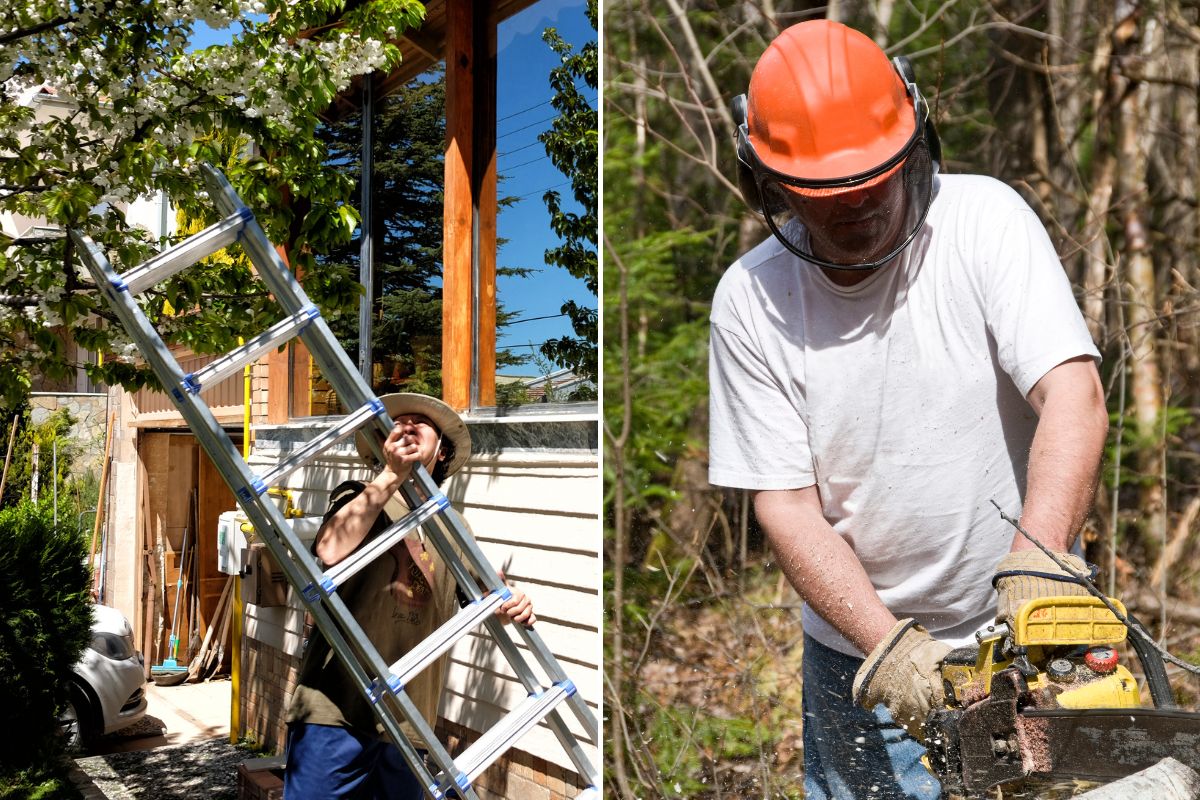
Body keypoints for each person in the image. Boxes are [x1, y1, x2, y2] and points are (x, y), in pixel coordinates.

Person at [708, 19, 1109, 800]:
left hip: (1021, 622)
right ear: (770, 182)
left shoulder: (984, 221)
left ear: (913, 142)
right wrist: (882, 646)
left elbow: (1073, 391)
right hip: (858, 649)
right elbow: (785, 505)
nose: (860, 209)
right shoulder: (750, 303)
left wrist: (1041, 551)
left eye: (874, 182)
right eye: (829, 197)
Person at [283, 393, 535, 799]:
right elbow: (329, 550)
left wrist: (512, 600)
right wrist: (390, 476)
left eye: (422, 422)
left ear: (443, 451)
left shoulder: (454, 529)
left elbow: (487, 603)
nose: (408, 425)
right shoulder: (358, 496)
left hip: (409, 724)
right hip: (335, 712)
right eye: (399, 422)